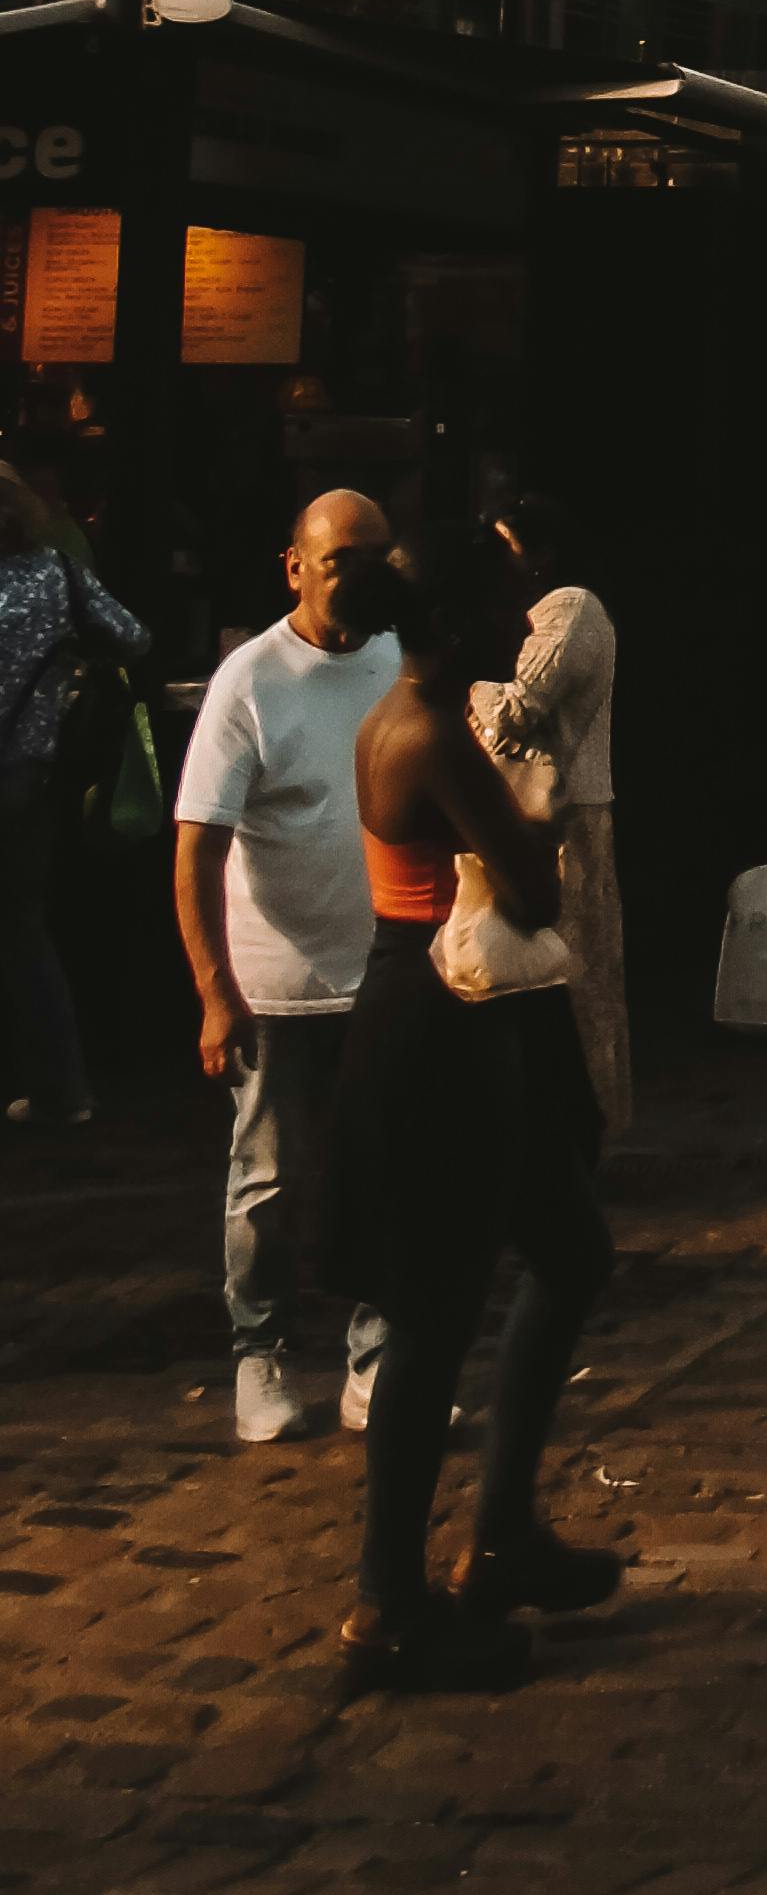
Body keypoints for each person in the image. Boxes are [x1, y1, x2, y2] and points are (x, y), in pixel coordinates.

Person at [333, 530, 616, 1695]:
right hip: (436, 1026)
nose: (524, 622)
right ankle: (387, 1604)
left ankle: (500, 1536)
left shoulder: (419, 718)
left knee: (569, 1249)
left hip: (466, 1013)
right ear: (454, 626)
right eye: (506, 604)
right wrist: (538, 823)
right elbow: (538, 888)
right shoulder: (431, 734)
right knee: (433, 1313)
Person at [172, 490, 405, 1447]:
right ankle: (258, 1354)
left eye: (377, 557)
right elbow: (196, 847)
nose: (360, 577)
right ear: (296, 568)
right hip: (276, 983)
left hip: (385, 972)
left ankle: (374, 1362)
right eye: (342, 558)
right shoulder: (251, 679)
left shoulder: (399, 659)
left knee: (386, 1173)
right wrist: (214, 992)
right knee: (267, 1182)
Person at [0, 455, 142, 1130]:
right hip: (32, 779)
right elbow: (135, 637)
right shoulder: (58, 574)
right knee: (26, 932)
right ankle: (65, 1090)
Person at [484, 494, 629, 1133]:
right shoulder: (525, 613)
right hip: (530, 814)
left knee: (572, 975)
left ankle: (580, 1121)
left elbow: (516, 709)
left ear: (541, 555)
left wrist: (458, 683)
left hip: (567, 817)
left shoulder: (570, 609)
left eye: (507, 545)